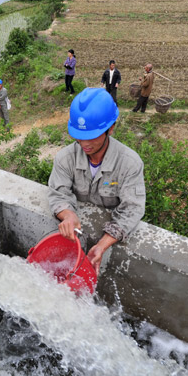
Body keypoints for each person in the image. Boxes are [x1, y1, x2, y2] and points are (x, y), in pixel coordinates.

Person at [48, 88, 145, 276]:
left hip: (107, 237)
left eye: (92, 136)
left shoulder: (129, 163)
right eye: (80, 136)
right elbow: (58, 193)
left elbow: (132, 208)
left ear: (111, 128)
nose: (84, 143)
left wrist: (102, 245)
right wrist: (68, 215)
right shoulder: (65, 158)